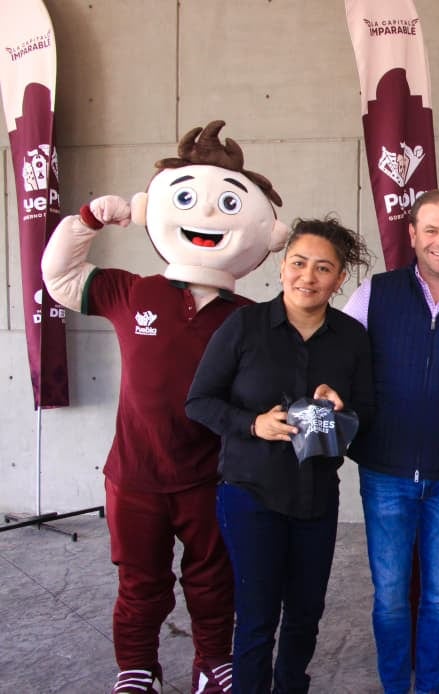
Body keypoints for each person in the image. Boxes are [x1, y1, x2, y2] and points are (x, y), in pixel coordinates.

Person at [41, 121, 290, 694]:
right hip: (135, 474)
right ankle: (137, 666)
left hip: (212, 474)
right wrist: (86, 221)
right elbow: (60, 278)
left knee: (212, 577)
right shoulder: (136, 291)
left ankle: (211, 661)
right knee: (140, 580)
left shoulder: (248, 316)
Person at [185, 216, 375, 693]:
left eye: (323, 268)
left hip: (316, 497)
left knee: (306, 615)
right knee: (256, 617)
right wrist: (254, 423)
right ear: (282, 265)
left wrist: (341, 407)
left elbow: (368, 413)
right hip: (250, 492)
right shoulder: (244, 326)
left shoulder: (352, 338)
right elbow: (199, 402)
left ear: (340, 279)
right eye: (298, 263)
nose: (307, 277)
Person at [343, 189, 439, 694]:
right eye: (430, 230)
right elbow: (339, 360)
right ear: (411, 235)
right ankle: (396, 687)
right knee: (389, 596)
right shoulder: (375, 293)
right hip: (384, 472)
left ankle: (429, 687)